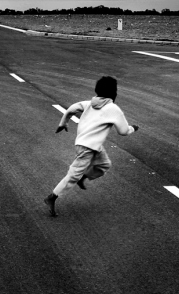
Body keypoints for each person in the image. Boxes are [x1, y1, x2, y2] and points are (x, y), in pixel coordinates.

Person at [44, 76, 137, 217]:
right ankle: (52, 197)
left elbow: (70, 109)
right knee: (73, 175)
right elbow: (123, 132)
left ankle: (84, 177)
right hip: (87, 148)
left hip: (92, 146)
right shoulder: (113, 109)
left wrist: (63, 123)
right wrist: (133, 128)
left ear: (97, 90)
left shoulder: (88, 103)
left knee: (104, 165)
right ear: (114, 93)